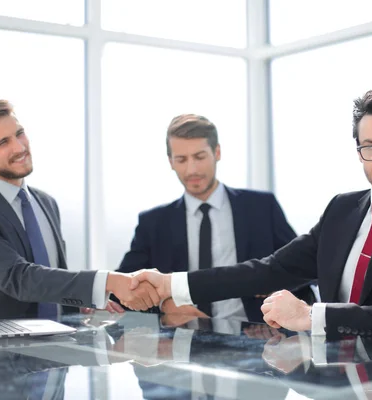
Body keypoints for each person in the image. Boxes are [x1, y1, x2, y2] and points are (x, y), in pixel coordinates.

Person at [129, 86, 372, 338]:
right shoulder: (342, 209)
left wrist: (311, 316)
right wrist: (171, 284)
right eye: (371, 147)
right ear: (358, 151)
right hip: (334, 378)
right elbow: (269, 270)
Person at [0, 99, 158, 320]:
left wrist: (82, 302)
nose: (19, 147)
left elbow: (50, 279)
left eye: (19, 134)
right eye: (2, 143)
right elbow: (19, 278)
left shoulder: (46, 203)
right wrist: (107, 282)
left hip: (56, 346)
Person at [114, 114, 312, 322]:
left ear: (217, 152)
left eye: (199, 157)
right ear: (170, 162)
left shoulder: (261, 207)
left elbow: (301, 270)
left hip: (254, 336)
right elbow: (124, 288)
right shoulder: (153, 223)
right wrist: (165, 305)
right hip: (182, 340)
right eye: (181, 159)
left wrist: (276, 292)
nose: (192, 170)